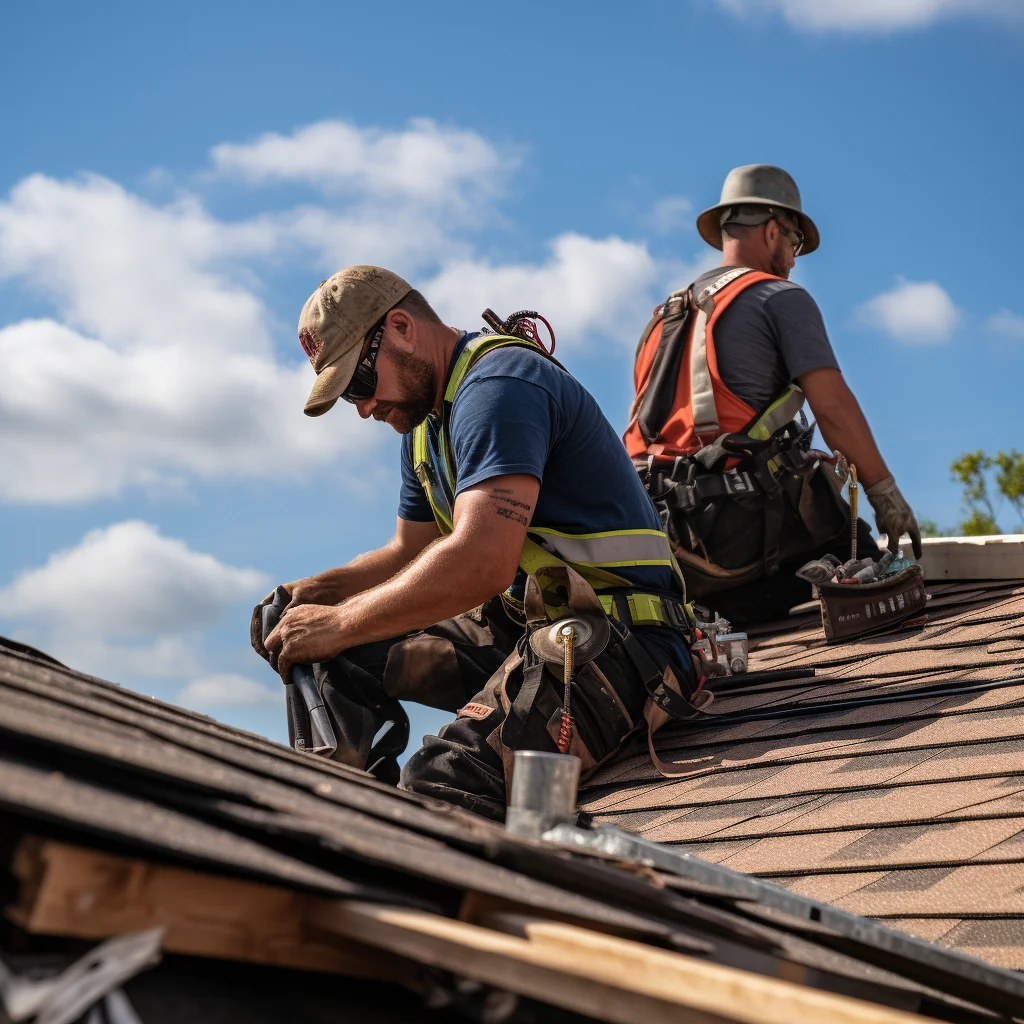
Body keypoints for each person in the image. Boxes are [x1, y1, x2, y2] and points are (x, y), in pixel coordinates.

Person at [251, 266, 701, 820]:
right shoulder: (423, 424)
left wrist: (339, 622)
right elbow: (406, 552)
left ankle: (418, 865)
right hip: (527, 623)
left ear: (400, 327)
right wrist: (311, 596)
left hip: (627, 635)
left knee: (444, 784)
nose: (364, 408)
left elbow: (481, 563)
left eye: (360, 386)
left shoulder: (499, 386)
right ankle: (347, 811)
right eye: (348, 398)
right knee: (328, 657)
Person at [624, 165, 922, 625]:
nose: (795, 257)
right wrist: (885, 493)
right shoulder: (780, 297)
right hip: (731, 533)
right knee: (858, 550)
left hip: (657, 537)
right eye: (794, 242)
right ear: (771, 230)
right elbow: (833, 407)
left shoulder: (661, 320)